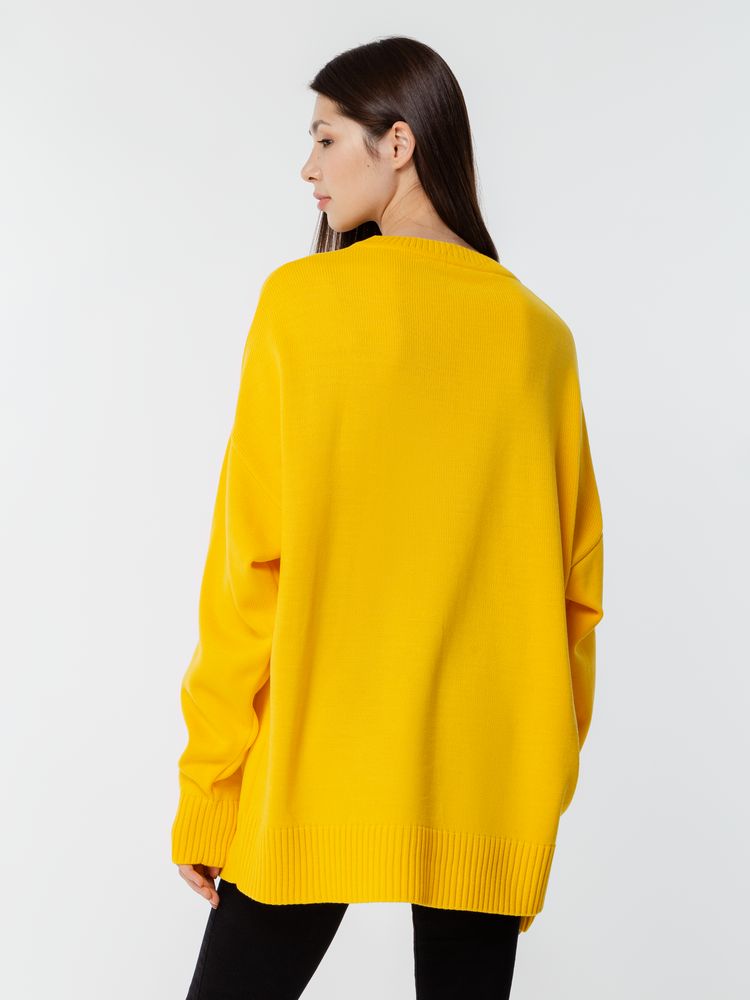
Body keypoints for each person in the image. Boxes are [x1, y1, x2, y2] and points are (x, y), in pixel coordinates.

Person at [171, 35, 604, 1000]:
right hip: (485, 787)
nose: (308, 167)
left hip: (312, 773)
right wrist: (532, 798)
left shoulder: (299, 307)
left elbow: (246, 575)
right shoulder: (541, 339)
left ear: (398, 144)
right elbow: (576, 602)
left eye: (326, 138)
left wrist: (209, 791)